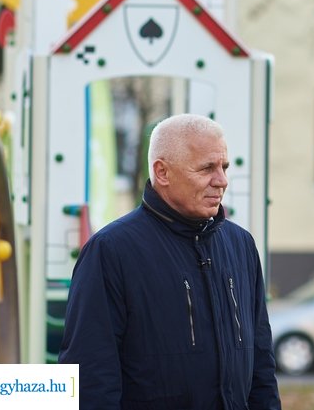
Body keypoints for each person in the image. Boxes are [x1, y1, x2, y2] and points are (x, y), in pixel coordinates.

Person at [59, 114, 281, 410]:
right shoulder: (111, 251)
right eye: (207, 168)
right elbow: (90, 377)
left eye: (224, 167)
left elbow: (261, 364)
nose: (222, 181)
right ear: (162, 172)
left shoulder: (240, 245)